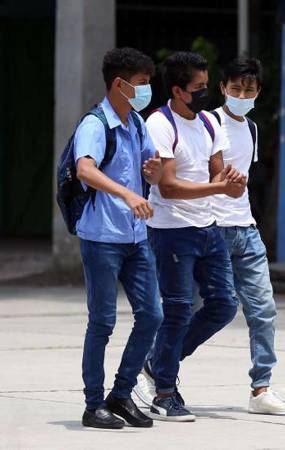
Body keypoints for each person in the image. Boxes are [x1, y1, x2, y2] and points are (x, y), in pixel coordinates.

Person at [136, 51, 245, 422]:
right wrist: (217, 189)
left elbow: (217, 173)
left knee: (224, 306)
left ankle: (157, 362)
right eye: (198, 88)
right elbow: (167, 187)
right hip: (171, 232)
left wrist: (231, 183)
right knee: (179, 309)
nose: (204, 94)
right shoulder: (160, 124)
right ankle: (164, 391)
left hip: (208, 227)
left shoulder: (207, 124)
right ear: (179, 91)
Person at [74, 47, 164, 429]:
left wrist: (154, 170)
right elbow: (84, 170)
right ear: (119, 83)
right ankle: (93, 403)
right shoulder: (95, 124)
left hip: (135, 237)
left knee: (152, 315)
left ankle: (122, 394)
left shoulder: (136, 123)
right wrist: (127, 194)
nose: (146, 91)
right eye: (142, 84)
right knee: (103, 322)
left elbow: (151, 171)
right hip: (101, 238)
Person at [209, 57, 285, 415]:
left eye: (249, 89)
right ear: (222, 88)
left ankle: (261, 388)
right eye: (235, 88)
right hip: (211, 230)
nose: (242, 94)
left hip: (246, 230)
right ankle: (160, 368)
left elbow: (243, 179)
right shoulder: (207, 123)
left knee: (264, 310)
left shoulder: (252, 129)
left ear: (258, 91)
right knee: (204, 311)